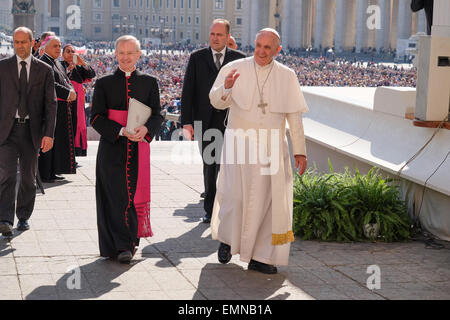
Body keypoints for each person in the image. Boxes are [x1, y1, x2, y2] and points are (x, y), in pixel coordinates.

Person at [209, 28, 309, 274]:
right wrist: (227, 87)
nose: (261, 52)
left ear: (278, 50)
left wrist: (300, 151)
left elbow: (294, 116)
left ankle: (261, 257)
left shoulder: (287, 75)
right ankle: (228, 241)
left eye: (267, 48)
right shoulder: (235, 68)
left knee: (267, 202)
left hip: (271, 146)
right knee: (235, 195)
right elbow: (215, 100)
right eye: (258, 46)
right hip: (239, 143)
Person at [91, 35, 163, 264]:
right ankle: (121, 245)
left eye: (130, 53)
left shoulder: (150, 82)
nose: (125, 57)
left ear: (138, 55)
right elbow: (96, 118)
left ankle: (130, 240)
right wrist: (121, 131)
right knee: (115, 196)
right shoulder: (103, 83)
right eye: (121, 53)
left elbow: (158, 114)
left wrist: (146, 129)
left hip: (138, 147)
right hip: (112, 147)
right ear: (115, 54)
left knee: (132, 195)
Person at [181, 19, 245, 223]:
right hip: (204, 121)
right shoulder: (197, 58)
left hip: (232, 121)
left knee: (231, 166)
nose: (215, 38)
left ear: (227, 37)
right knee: (210, 165)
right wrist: (186, 123)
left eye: (219, 35)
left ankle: (229, 206)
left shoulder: (240, 59)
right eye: (212, 34)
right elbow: (188, 92)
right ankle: (210, 210)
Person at [0, 27, 56, 237]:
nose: (20, 46)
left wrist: (48, 133)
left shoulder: (44, 70)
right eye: (16, 42)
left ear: (33, 43)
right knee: (6, 175)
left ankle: (23, 216)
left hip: (32, 131)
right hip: (6, 131)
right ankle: (5, 218)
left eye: (24, 42)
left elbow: (51, 105)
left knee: (27, 177)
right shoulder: (3, 67)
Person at [38, 36, 77, 183]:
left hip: (60, 108)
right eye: (55, 46)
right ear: (45, 47)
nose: (58, 49)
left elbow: (66, 80)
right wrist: (67, 93)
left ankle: (53, 171)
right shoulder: (42, 63)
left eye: (59, 46)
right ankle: (45, 173)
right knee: (48, 140)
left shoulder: (58, 64)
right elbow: (49, 85)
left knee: (57, 142)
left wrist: (71, 89)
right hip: (47, 110)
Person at [61, 44, 96, 157]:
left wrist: (83, 62)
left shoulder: (79, 67)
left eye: (73, 51)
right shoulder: (59, 65)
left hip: (78, 101)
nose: (71, 54)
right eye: (68, 51)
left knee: (78, 125)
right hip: (65, 100)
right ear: (62, 54)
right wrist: (68, 70)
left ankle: (76, 152)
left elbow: (92, 74)